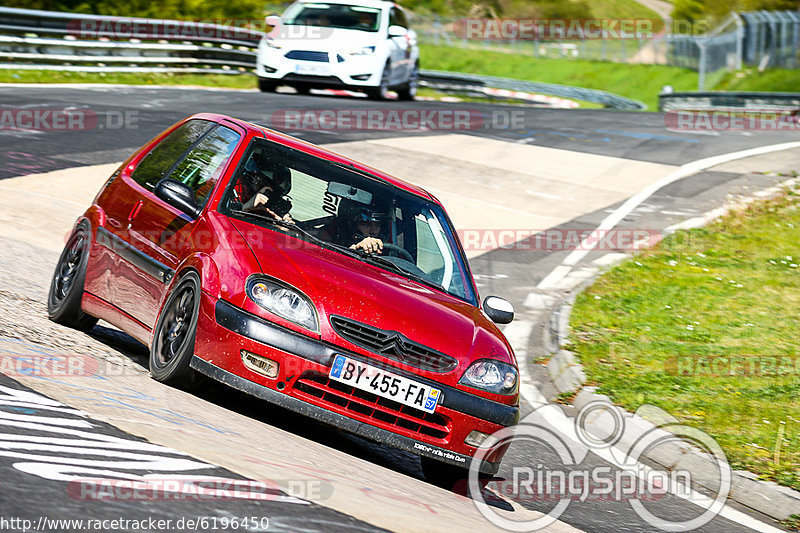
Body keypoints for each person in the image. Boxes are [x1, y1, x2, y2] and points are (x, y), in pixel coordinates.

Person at [238, 154, 293, 222]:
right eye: (262, 184)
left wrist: (282, 226)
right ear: (251, 179)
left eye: (276, 192)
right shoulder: (232, 192)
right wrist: (246, 207)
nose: (270, 192)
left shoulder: (272, 212)